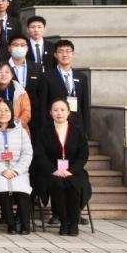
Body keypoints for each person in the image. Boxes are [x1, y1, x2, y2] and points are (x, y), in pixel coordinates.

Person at [33, 98, 92, 236]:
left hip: (73, 170)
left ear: (68, 112)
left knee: (75, 184)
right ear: (50, 112)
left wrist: (70, 171)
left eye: (62, 110)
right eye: (55, 110)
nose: (59, 113)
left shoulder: (78, 132)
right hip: (50, 171)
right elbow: (40, 155)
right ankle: (64, 222)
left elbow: (83, 156)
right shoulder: (43, 132)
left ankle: (74, 223)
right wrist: (54, 170)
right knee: (57, 184)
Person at [0, 99, 33, 234]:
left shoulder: (21, 131)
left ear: (12, 113)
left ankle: (25, 224)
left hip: (18, 169)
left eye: (6, 110)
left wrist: (17, 170)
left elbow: (27, 153)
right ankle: (11, 224)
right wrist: (3, 170)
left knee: (22, 189)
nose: (3, 113)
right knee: (2, 187)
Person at [0, 63, 32, 132]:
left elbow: (26, 112)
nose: (3, 75)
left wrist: (15, 128)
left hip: (18, 131)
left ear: (12, 75)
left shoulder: (21, 91)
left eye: (7, 72)